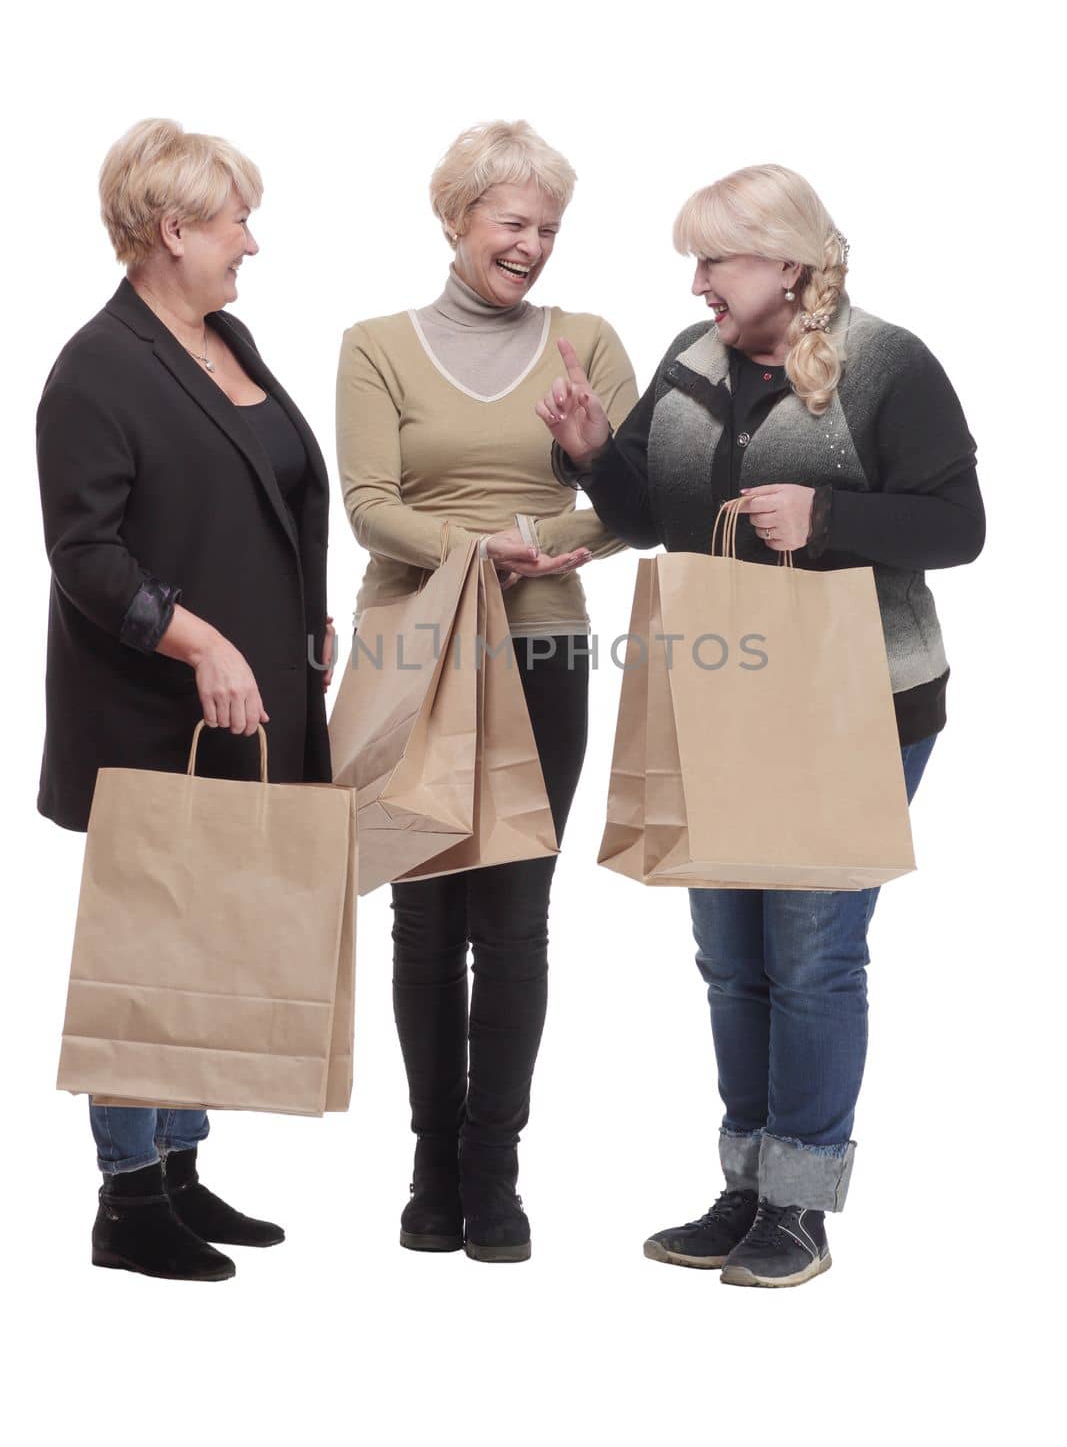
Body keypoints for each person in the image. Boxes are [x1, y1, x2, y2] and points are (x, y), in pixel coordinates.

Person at [538, 163, 984, 1287]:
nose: (694, 284)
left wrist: (826, 515)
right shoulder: (688, 364)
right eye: (690, 262)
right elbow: (647, 520)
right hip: (721, 693)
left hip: (860, 704)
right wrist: (596, 452)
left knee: (811, 951)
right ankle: (744, 1184)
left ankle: (801, 1204)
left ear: (787, 264)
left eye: (714, 260)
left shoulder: (886, 362)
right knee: (729, 957)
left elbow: (959, 526)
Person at [37, 118, 335, 1282]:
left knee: (212, 938)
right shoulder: (99, 366)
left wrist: (303, 611)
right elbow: (85, 553)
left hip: (256, 704)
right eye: (233, 223)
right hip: (158, 704)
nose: (249, 245)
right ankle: (125, 1196)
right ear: (171, 231)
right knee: (148, 939)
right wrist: (201, 636)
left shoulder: (226, 338)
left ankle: (179, 1165)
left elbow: (270, 491)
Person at [337, 119, 637, 1261]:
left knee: (512, 920)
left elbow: (622, 501)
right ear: (457, 219)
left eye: (549, 228)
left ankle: (491, 1169)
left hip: (541, 645)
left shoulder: (587, 341)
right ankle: (426, 1166)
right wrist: (492, 549)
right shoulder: (374, 344)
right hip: (411, 644)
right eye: (513, 222)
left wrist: (541, 519)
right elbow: (368, 504)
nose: (532, 246)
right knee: (425, 915)